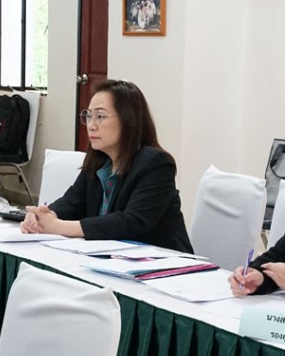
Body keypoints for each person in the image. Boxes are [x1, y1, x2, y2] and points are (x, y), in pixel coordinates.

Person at [21, 79, 193, 252]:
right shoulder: (99, 162)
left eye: (100, 116)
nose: (91, 125)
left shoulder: (156, 163)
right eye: (88, 116)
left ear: (128, 119)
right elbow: (71, 203)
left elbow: (132, 223)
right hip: (113, 258)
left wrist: (58, 226)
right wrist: (43, 216)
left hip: (164, 262)